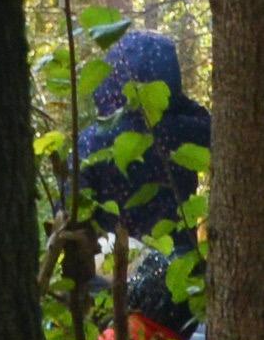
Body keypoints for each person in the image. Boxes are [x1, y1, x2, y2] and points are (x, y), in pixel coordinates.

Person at [69, 21, 212, 243]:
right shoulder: (185, 129)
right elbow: (215, 129)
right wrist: (173, 103)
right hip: (180, 263)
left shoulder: (90, 141)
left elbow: (71, 211)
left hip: (111, 269)